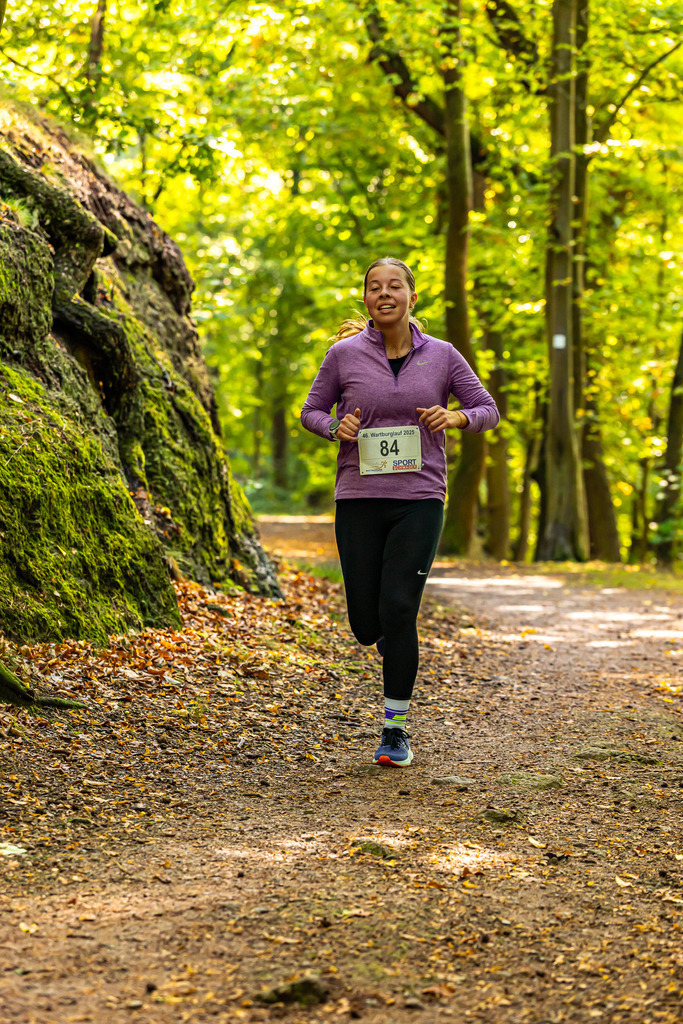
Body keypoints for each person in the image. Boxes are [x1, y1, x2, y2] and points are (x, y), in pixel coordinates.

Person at [300, 257, 499, 766]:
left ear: (412, 296)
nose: (384, 294)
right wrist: (333, 428)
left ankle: (395, 730)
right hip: (359, 499)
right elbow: (311, 410)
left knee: (400, 608)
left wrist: (454, 416)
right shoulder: (343, 355)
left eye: (394, 286)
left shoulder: (444, 356)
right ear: (365, 298)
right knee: (367, 624)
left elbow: (487, 410)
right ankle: (389, 637)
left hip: (420, 499)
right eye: (374, 287)